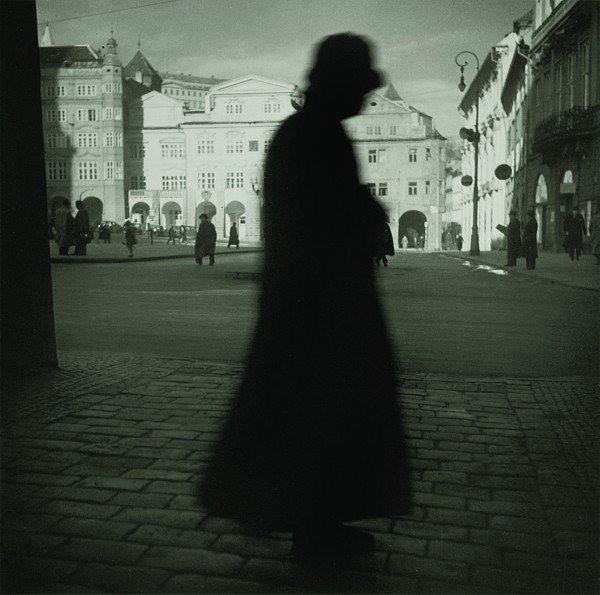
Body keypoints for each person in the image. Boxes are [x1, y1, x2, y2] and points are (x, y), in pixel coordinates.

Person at [199, 33, 410, 558]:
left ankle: (311, 519)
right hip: (317, 305)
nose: (364, 98)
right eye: (359, 86)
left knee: (308, 413)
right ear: (338, 83)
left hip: (309, 301)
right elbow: (319, 221)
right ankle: (309, 524)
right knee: (318, 413)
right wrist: (364, 214)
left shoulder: (309, 131)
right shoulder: (313, 135)